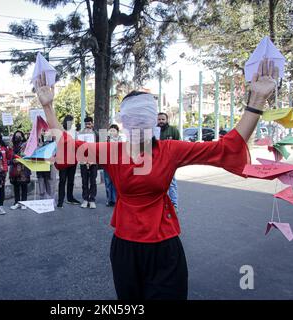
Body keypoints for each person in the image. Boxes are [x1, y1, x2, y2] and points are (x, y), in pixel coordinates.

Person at [35, 58, 277, 299]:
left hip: (164, 248)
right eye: (133, 117)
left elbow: (226, 148)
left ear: (153, 120)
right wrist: (48, 106)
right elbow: (67, 145)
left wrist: (257, 100)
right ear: (124, 121)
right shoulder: (112, 152)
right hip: (126, 249)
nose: (138, 123)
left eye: (143, 116)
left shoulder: (170, 149)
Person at [157, 113, 181, 210]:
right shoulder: (153, 131)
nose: (161, 121)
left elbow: (179, 145)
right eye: (159, 119)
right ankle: (159, 204)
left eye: (163, 119)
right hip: (156, 162)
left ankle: (174, 204)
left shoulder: (173, 130)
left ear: (167, 120)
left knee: (171, 183)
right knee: (157, 184)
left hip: (170, 161)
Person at [57, 115, 81, 208]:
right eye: (70, 121)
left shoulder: (75, 132)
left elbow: (78, 144)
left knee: (71, 180)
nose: (71, 123)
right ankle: (60, 200)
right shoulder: (60, 132)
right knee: (62, 180)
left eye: (72, 121)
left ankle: (70, 198)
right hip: (63, 159)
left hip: (73, 159)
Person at [77, 116, 99, 209]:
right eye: (86, 124)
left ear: (92, 123)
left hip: (93, 160)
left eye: (89, 123)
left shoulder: (95, 133)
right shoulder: (81, 133)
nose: (87, 125)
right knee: (84, 181)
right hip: (83, 160)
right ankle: (85, 199)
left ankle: (92, 199)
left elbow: (99, 144)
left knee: (93, 181)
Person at [9, 130, 31, 210]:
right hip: (14, 169)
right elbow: (8, 158)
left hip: (24, 169)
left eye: (20, 136)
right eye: (16, 136)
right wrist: (12, 161)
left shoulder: (26, 146)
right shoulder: (11, 146)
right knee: (16, 187)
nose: (18, 137)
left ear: (22, 137)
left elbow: (29, 156)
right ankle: (16, 202)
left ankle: (24, 203)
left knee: (24, 186)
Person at [104, 124, 121, 207]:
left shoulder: (120, 140)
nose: (112, 132)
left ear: (117, 132)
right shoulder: (106, 140)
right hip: (107, 163)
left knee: (115, 182)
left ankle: (115, 199)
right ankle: (109, 199)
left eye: (114, 130)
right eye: (111, 130)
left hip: (116, 164)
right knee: (107, 182)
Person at [36, 129, 55, 199]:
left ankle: (50, 199)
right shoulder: (37, 140)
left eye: (46, 130)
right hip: (40, 164)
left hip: (49, 164)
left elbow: (54, 151)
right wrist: (39, 145)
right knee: (41, 181)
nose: (44, 132)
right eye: (42, 131)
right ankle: (42, 199)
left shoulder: (52, 139)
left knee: (50, 181)